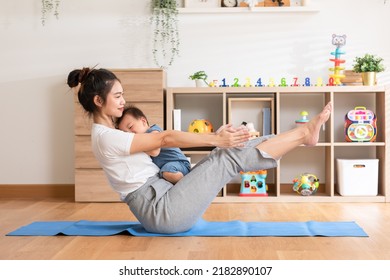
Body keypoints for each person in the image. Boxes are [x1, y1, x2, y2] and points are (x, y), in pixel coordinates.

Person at [67, 67, 332, 234]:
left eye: (123, 95)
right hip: (162, 213)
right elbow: (165, 138)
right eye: (117, 96)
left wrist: (219, 140)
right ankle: (302, 134)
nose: (124, 101)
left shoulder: (111, 133)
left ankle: (302, 135)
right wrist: (216, 138)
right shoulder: (106, 137)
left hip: (165, 199)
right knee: (225, 155)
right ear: (98, 101)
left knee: (224, 154)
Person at [116, 105, 191, 184]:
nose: (130, 134)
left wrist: (136, 147)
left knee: (167, 172)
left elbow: (154, 152)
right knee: (164, 173)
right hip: (169, 167)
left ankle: (186, 183)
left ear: (143, 121)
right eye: (126, 133)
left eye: (131, 127)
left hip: (179, 164)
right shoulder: (144, 138)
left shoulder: (153, 131)